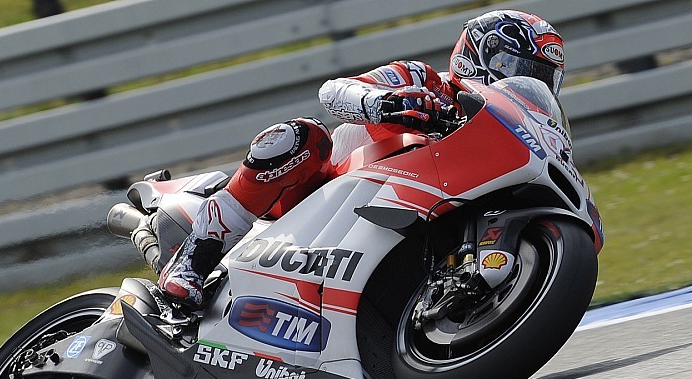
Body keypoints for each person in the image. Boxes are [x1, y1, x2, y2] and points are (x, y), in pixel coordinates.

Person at [138, 9, 565, 309]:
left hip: (388, 222)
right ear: (483, 55)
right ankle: (192, 262)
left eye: (541, 80)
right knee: (301, 136)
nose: (527, 83)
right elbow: (334, 92)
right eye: (521, 69)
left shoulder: (498, 138)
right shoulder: (423, 81)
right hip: (314, 201)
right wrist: (389, 104)